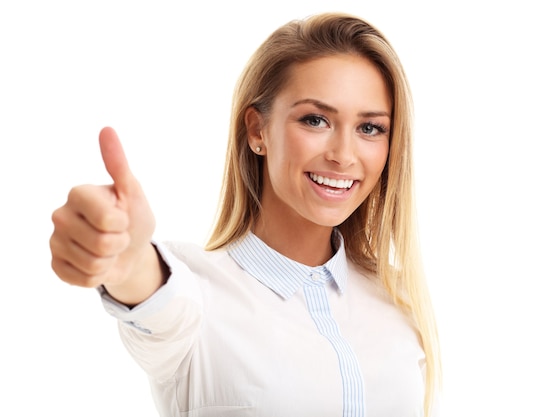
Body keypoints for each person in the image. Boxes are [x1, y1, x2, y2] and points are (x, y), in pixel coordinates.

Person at [50, 12, 442, 417]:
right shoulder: (198, 295)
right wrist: (123, 256)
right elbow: (152, 293)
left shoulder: (397, 300)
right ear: (258, 131)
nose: (343, 155)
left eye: (370, 128)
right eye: (315, 120)